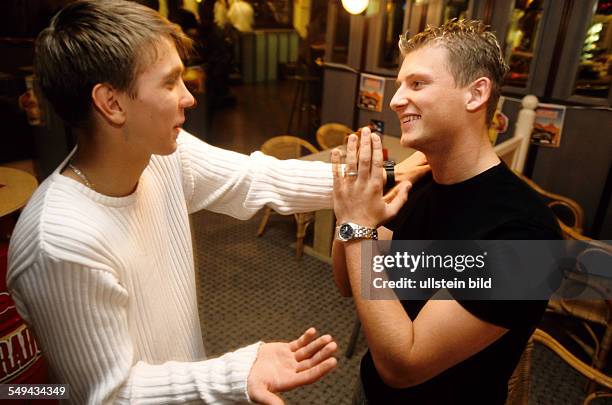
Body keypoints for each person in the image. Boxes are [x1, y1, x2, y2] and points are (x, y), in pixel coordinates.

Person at [6, 1, 340, 403]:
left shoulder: (163, 157)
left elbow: (256, 178)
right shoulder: (59, 243)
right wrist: (235, 373)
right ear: (111, 104)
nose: (189, 97)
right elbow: (111, 394)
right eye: (170, 83)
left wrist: (376, 178)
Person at [331, 19, 561, 404]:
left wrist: (357, 226)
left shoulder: (524, 235)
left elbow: (405, 364)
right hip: (368, 391)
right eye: (400, 84)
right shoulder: (418, 182)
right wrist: (353, 212)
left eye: (417, 84)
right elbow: (348, 279)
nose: (395, 99)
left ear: (476, 94)